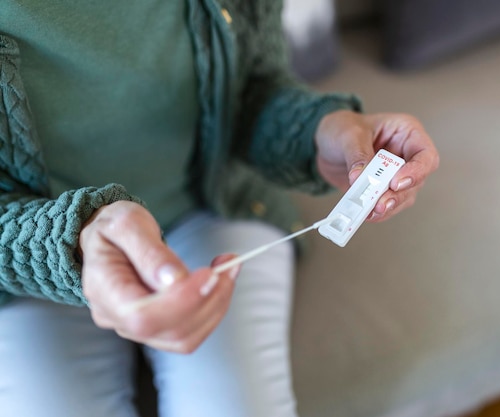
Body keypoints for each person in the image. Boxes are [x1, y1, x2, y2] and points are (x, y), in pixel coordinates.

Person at [0, 1, 439, 416]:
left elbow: (251, 87)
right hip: (28, 261)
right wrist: (74, 242)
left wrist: (320, 132)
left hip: (216, 208)